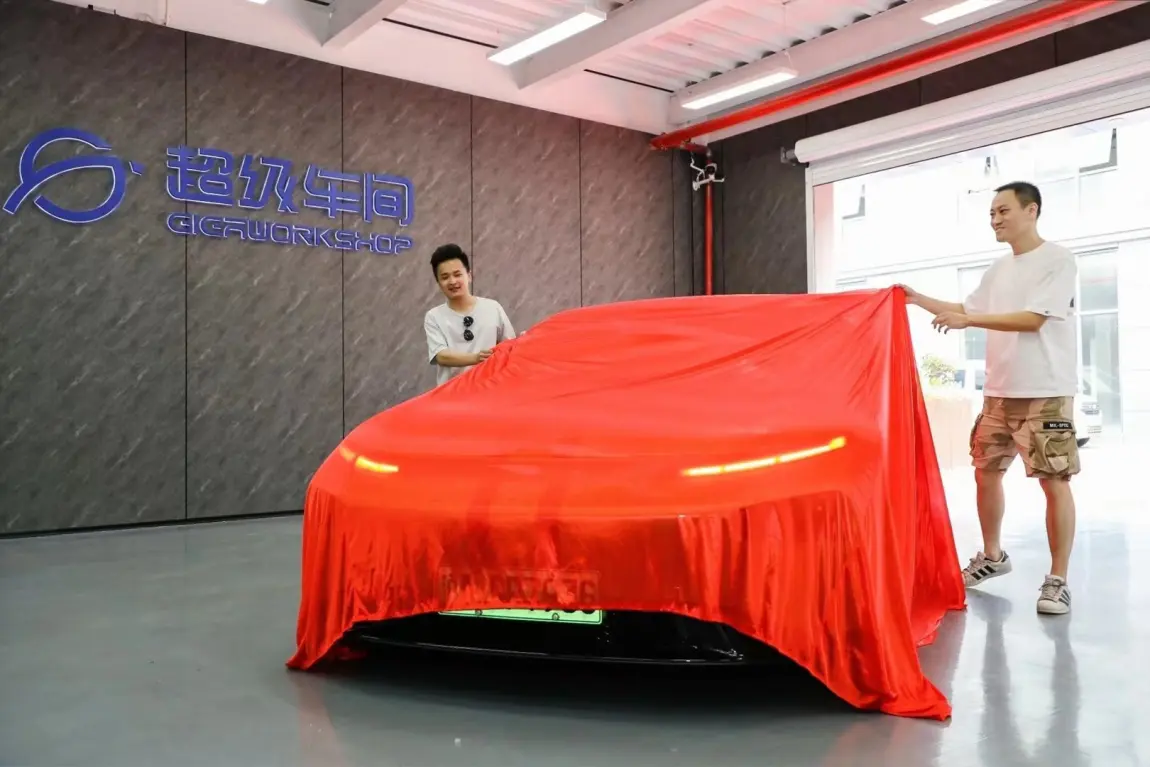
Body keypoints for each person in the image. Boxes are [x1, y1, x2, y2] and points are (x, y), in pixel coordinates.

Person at [900, 181, 1079, 615]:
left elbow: (1033, 319)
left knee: (1053, 482)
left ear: (1031, 211)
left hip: (1044, 393)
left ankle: (1057, 581)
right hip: (999, 393)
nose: (996, 220)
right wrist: (916, 299)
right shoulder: (998, 270)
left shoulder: (1058, 260)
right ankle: (993, 556)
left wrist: (970, 321)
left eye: (1003, 211)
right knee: (985, 474)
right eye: (992, 214)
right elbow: (967, 309)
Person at [424, 243, 516, 387]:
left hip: (490, 389)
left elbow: (510, 348)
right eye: (445, 277)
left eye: (457, 274)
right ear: (439, 283)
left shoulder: (493, 308)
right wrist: (475, 358)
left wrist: (526, 340)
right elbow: (441, 356)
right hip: (452, 394)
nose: (452, 281)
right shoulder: (434, 316)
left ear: (469, 276)